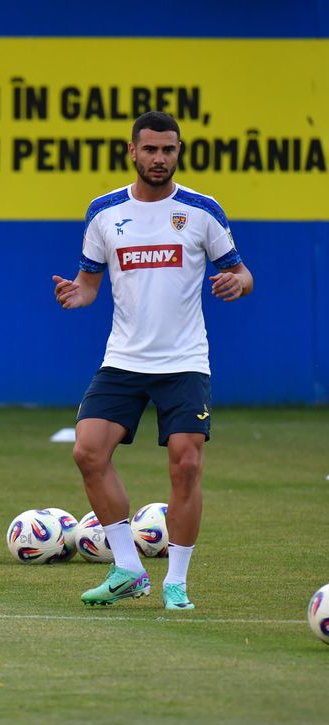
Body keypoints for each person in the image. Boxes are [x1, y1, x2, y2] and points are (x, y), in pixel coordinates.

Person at [52, 110, 254, 611]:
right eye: (150, 149)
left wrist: (238, 283)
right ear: (133, 152)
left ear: (178, 152)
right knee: (88, 453)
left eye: (168, 149)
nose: (159, 158)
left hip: (185, 361)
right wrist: (77, 296)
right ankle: (127, 569)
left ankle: (177, 582)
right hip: (123, 360)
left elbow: (243, 273)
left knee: (186, 464)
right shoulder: (103, 213)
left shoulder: (203, 211)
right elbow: (89, 284)